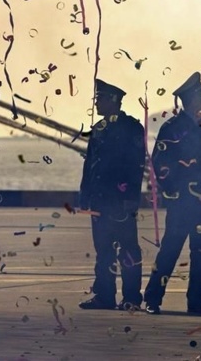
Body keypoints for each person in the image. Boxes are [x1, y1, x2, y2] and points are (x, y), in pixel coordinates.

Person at [144, 72, 201, 315]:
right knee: (170, 249)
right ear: (191, 98)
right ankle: (152, 299)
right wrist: (173, 191)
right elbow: (160, 162)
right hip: (183, 201)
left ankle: (197, 302)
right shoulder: (172, 127)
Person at [78, 79, 146, 311]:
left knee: (128, 250)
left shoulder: (131, 128)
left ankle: (131, 298)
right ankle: (104, 296)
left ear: (113, 100)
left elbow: (136, 165)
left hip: (120, 200)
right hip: (99, 200)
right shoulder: (98, 129)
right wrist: (84, 197)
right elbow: (90, 166)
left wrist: (132, 198)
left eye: (100, 99)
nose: (97, 103)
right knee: (104, 251)